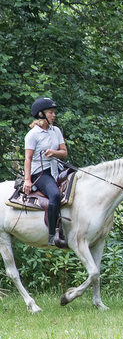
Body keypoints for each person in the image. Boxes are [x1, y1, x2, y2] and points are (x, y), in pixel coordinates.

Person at [22, 96, 69, 248]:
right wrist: (27, 180)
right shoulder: (32, 135)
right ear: (41, 115)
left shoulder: (56, 131)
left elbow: (64, 153)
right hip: (41, 173)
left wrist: (54, 153)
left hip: (57, 169)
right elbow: (27, 159)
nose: (54, 115)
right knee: (54, 194)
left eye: (54, 112)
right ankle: (52, 234)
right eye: (51, 112)